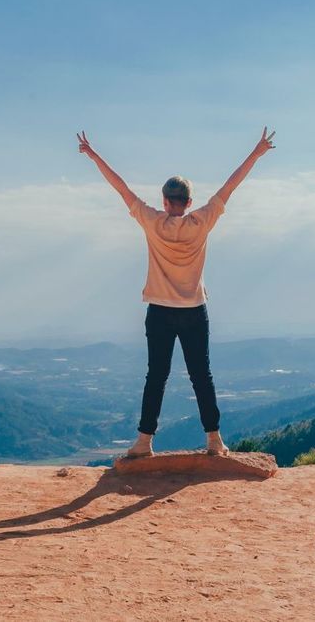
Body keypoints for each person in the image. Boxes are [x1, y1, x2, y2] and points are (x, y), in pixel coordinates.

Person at [77, 127, 276, 457]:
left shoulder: (152, 222)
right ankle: (214, 440)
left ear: (165, 201)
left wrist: (94, 155)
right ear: (189, 202)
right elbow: (230, 186)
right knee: (202, 376)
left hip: (159, 310)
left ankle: (144, 441)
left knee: (156, 376)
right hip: (194, 310)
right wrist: (256, 152)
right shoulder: (203, 221)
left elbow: (121, 188)